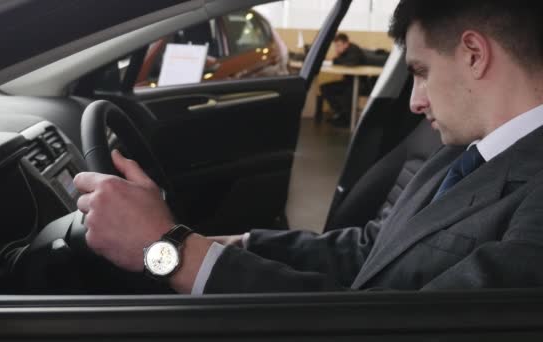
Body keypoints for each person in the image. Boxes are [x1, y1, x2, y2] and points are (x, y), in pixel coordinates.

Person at [74, 0, 543, 294]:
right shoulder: (460, 157)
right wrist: (228, 244)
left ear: (475, 55)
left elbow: (406, 328)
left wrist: (168, 250)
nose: (416, 102)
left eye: (420, 72)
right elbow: (372, 251)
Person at [319, 33, 365, 127]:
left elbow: (351, 63)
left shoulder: (354, 50)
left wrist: (337, 59)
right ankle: (340, 114)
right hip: (348, 82)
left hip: (360, 83)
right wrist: (338, 57)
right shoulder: (343, 52)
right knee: (325, 88)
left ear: (346, 44)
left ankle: (347, 120)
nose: (337, 48)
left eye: (339, 45)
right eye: (335, 46)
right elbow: (337, 61)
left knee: (347, 92)